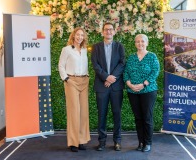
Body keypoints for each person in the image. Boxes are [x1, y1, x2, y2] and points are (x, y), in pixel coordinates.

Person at [91, 22, 125, 151]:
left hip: (116, 86)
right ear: (102, 32)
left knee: (117, 114)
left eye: (111, 30)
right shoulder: (96, 47)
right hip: (101, 86)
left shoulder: (119, 46)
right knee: (102, 114)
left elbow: (122, 63)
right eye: (106, 30)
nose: (108, 32)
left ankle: (117, 141)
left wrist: (111, 79)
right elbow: (95, 65)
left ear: (114, 31)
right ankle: (102, 141)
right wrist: (106, 77)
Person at [123, 34, 160, 152]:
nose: (140, 43)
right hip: (132, 91)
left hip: (148, 91)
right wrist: (129, 84)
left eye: (142, 41)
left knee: (147, 117)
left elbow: (155, 72)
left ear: (147, 43)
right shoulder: (131, 57)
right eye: (137, 42)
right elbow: (126, 72)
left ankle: (148, 143)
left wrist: (144, 84)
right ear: (135, 44)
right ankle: (141, 142)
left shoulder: (152, 56)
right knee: (138, 118)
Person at [58, 27, 90, 152]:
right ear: (73, 36)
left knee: (83, 112)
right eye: (78, 35)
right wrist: (66, 79)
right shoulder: (66, 50)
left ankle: (81, 141)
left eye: (82, 35)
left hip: (84, 81)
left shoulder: (84, 50)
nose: (80, 37)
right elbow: (61, 65)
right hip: (71, 81)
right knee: (74, 112)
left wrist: (87, 76)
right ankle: (73, 142)